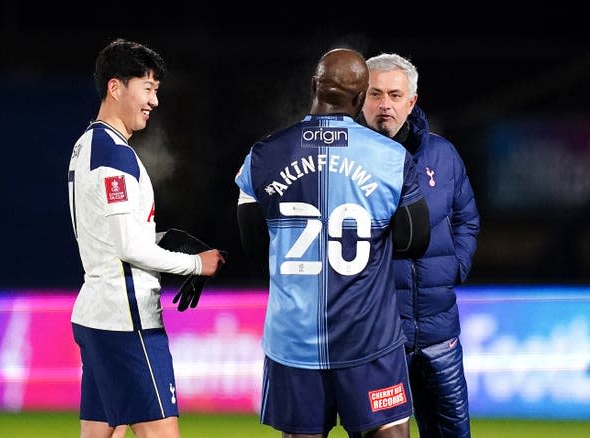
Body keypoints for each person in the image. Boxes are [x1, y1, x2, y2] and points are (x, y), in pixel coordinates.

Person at [234, 48, 430, 438]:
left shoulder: (262, 156)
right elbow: (415, 240)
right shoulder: (391, 158)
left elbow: (253, 244)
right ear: (361, 100)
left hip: (293, 340)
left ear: (314, 86)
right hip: (368, 338)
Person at [67, 38, 226, 438]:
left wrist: (163, 236)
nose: (154, 101)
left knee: (103, 431)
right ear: (116, 87)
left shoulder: (88, 144)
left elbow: (111, 234)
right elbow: (127, 247)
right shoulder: (113, 155)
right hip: (127, 322)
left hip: (99, 316)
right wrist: (195, 264)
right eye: (148, 88)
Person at [360, 53, 480, 437]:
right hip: (379, 339)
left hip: (440, 334)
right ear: (361, 99)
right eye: (375, 94)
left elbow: (467, 219)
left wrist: (454, 268)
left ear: (411, 102)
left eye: (395, 95)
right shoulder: (346, 160)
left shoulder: (442, 154)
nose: (385, 105)